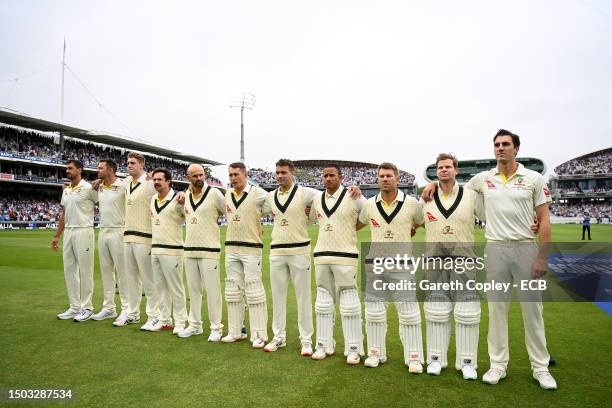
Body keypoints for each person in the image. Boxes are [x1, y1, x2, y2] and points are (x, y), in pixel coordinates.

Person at [422, 129, 557, 390]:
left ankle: (540, 367)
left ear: (516, 149)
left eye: (506, 144)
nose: (500, 148)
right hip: (495, 250)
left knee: (533, 311)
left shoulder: (533, 178)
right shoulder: (483, 179)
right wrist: (431, 184)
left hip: (526, 248)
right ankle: (497, 365)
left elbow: (544, 218)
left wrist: (542, 257)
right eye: (497, 144)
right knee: (497, 311)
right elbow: (451, 186)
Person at [414, 153, 483, 380]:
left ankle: (468, 362)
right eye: (440, 168)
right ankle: (436, 359)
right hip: (435, 262)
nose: (444, 170)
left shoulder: (471, 196)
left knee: (467, 312)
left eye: (448, 167)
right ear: (436, 172)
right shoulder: (426, 199)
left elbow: (494, 214)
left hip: (464, 260)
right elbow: (411, 224)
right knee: (436, 310)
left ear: (456, 170)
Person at [358, 162, 425, 373]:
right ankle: (376, 353)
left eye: (388, 176)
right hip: (375, 265)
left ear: (397, 178)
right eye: (381, 176)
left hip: (402, 265)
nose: (384, 179)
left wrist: (410, 229)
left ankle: (414, 357)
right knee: (374, 313)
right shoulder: (369, 204)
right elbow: (356, 225)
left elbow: (423, 223)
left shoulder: (412, 204)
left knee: (409, 313)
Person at [310, 164, 367, 364]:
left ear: (340, 177)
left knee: (349, 304)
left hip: (346, 255)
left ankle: (354, 348)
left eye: (331, 175)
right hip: (321, 255)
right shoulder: (317, 199)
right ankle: (324, 344)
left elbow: (366, 218)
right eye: (325, 175)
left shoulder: (355, 196)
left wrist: (350, 228)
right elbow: (312, 218)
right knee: (323, 303)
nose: (327, 178)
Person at [261, 159, 318, 355]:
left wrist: (353, 190)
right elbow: (254, 207)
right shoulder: (270, 196)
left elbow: (329, 197)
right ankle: (278, 337)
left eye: (283, 172)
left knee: (303, 298)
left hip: (300, 250)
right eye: (277, 172)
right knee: (277, 297)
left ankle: (306, 340)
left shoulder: (306, 193)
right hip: (277, 251)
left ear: (292, 173)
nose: (280, 176)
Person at [221, 162, 269, 348]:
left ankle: (259, 334)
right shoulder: (228, 194)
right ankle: (235, 331)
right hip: (231, 248)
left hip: (251, 248)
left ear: (245, 174)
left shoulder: (258, 193)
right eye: (230, 175)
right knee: (233, 291)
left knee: (254, 291)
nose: (233, 178)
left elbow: (277, 204)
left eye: (236, 175)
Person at [179, 164, 225, 340]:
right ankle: (195, 325)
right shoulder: (186, 195)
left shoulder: (214, 193)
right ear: (188, 177)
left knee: (213, 291)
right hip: (189, 249)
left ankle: (216, 328)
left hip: (210, 249)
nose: (199, 178)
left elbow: (228, 211)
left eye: (201, 175)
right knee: (194, 290)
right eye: (195, 176)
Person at [52, 159, 98, 322]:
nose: (67, 171)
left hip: (84, 230)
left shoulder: (89, 188)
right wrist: (57, 235)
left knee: (85, 270)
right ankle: (74, 307)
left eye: (70, 168)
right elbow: (64, 213)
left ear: (79, 170)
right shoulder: (66, 190)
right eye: (67, 168)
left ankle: (87, 308)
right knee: (69, 270)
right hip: (69, 232)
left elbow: (102, 202)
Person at [149, 168, 187, 333]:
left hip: (173, 249)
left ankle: (180, 321)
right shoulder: (153, 199)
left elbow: (187, 212)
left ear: (168, 181)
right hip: (156, 248)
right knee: (160, 287)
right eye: (154, 180)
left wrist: (184, 195)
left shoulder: (178, 199)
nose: (156, 182)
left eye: (160, 179)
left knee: (175, 287)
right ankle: (164, 320)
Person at [91, 159, 129, 322]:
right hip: (103, 231)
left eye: (100, 168)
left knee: (123, 273)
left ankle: (127, 309)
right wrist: (99, 180)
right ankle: (108, 308)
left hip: (119, 231)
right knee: (106, 272)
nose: (97, 170)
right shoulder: (99, 186)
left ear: (111, 170)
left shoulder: (123, 185)